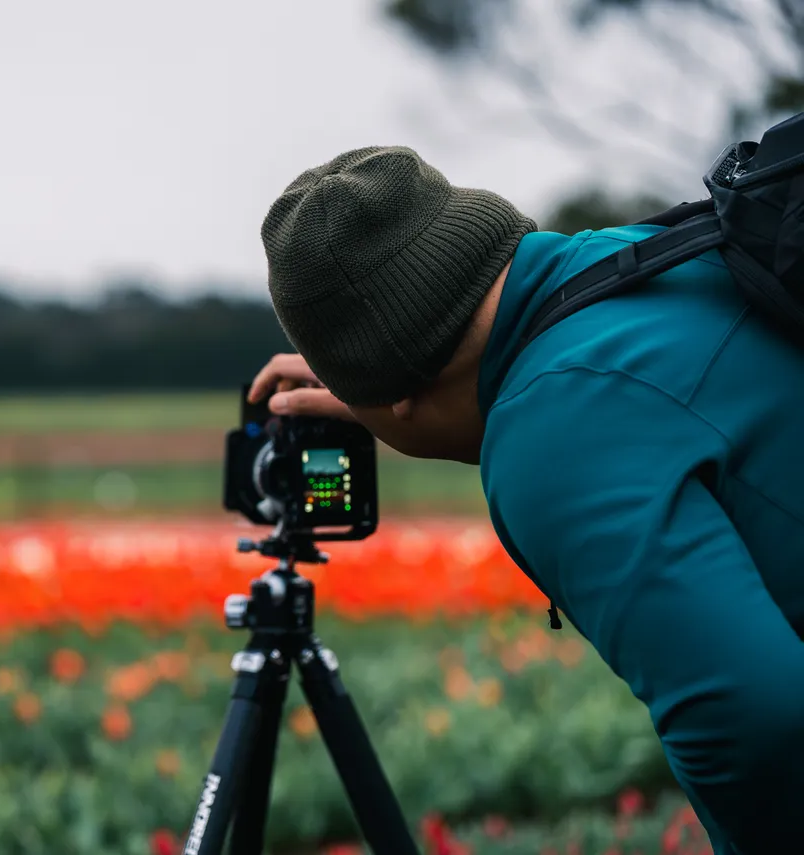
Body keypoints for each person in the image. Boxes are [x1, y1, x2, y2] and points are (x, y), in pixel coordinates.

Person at [247, 146, 804, 855]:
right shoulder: (650, 254)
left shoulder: (551, 431)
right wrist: (382, 393)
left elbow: (750, 723)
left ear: (402, 402)